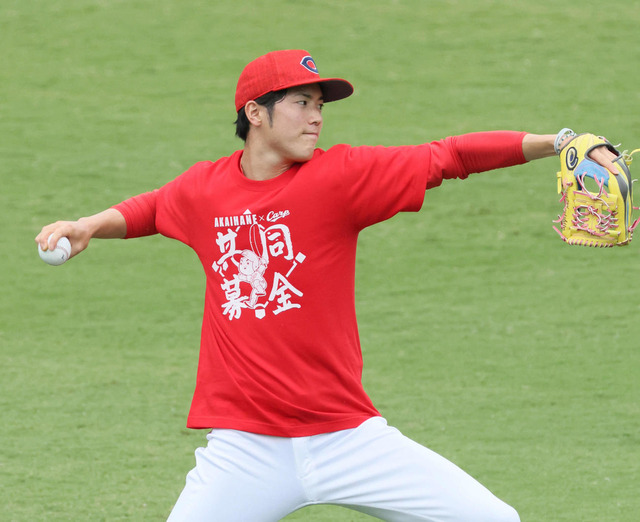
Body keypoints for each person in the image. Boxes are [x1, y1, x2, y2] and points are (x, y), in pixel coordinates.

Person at [36, 49, 618, 521]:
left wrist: (554, 143)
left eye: (320, 105)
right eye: (301, 102)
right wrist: (88, 226)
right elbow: (153, 208)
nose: (316, 116)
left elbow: (448, 156)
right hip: (245, 446)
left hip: (349, 438)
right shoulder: (205, 189)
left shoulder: (340, 178)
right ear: (256, 113)